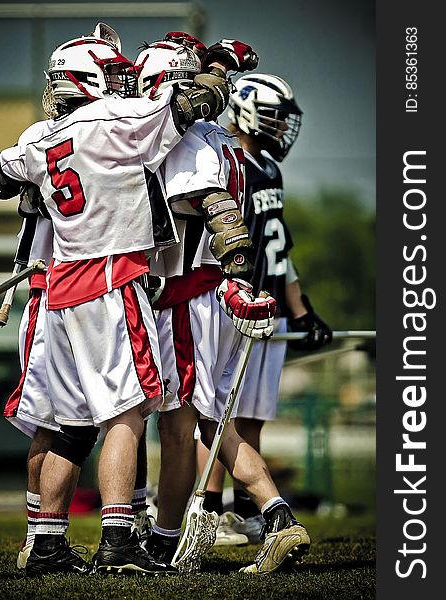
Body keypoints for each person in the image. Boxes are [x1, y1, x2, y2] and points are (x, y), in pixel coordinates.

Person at [0, 30, 251, 576]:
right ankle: (118, 541)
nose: (124, 83)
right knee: (126, 416)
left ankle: (48, 544)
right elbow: (192, 103)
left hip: (58, 286)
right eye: (113, 73)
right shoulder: (115, 122)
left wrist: (36, 187)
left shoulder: (39, 137)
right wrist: (220, 68)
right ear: (91, 79)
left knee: (66, 424)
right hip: (111, 278)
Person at [133, 38, 311, 575]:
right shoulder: (217, 136)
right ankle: (278, 518)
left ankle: (165, 539)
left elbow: (216, 213)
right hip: (207, 298)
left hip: (190, 299)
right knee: (211, 423)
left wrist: (233, 278)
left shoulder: (190, 141)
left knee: (179, 424)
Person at [196, 74, 333, 556]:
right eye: (273, 115)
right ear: (246, 110)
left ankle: (245, 510)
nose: (280, 126)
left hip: (269, 303)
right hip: (236, 300)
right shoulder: (228, 163)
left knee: (251, 414)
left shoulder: (269, 168)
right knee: (219, 413)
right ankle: (209, 510)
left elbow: (281, 249)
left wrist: (302, 309)